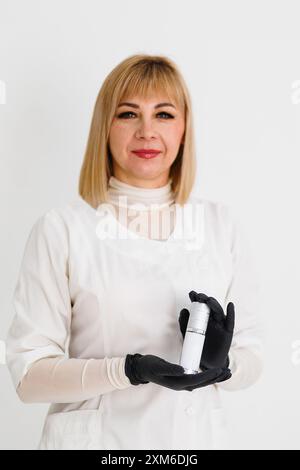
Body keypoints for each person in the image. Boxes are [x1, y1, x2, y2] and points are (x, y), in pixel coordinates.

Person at [5, 54, 264, 450]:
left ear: (184, 129)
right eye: (128, 114)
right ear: (104, 127)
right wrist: (126, 370)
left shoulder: (219, 225)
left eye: (163, 114)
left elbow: (254, 357)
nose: (146, 131)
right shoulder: (62, 229)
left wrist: (224, 366)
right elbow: (28, 378)